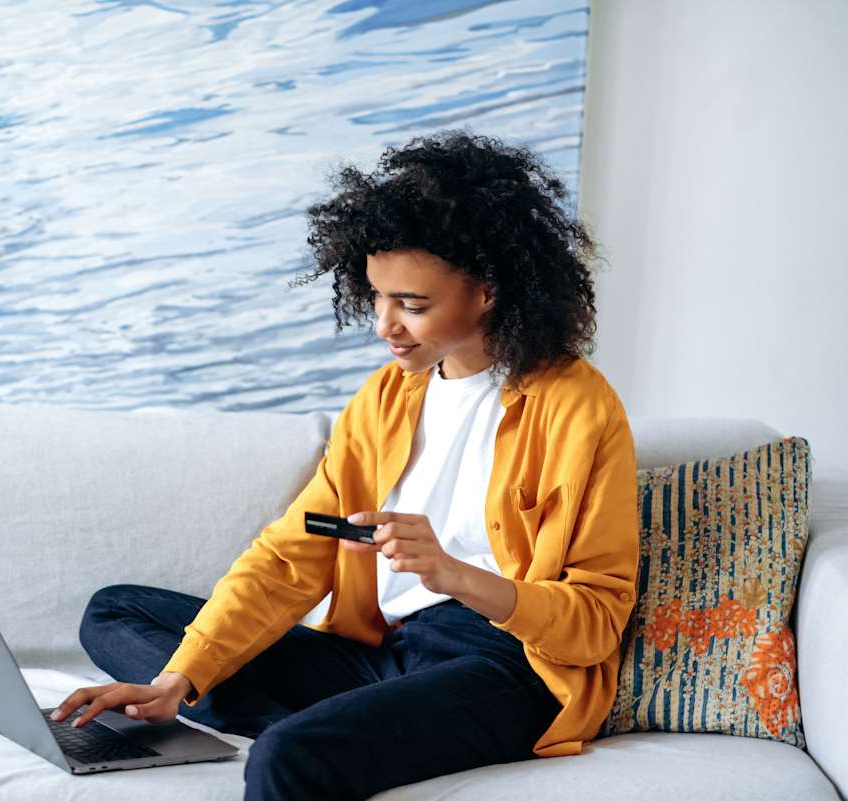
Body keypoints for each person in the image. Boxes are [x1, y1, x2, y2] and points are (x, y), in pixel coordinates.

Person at [51, 129, 640, 800]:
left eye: (412, 304)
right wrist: (175, 680)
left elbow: (595, 621)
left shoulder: (578, 407)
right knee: (115, 613)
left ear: (488, 290)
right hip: (378, 656)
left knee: (284, 756)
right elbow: (288, 557)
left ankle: (337, 730)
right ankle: (354, 726)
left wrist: (454, 572)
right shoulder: (383, 400)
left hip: (505, 668)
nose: (384, 323)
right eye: (377, 295)